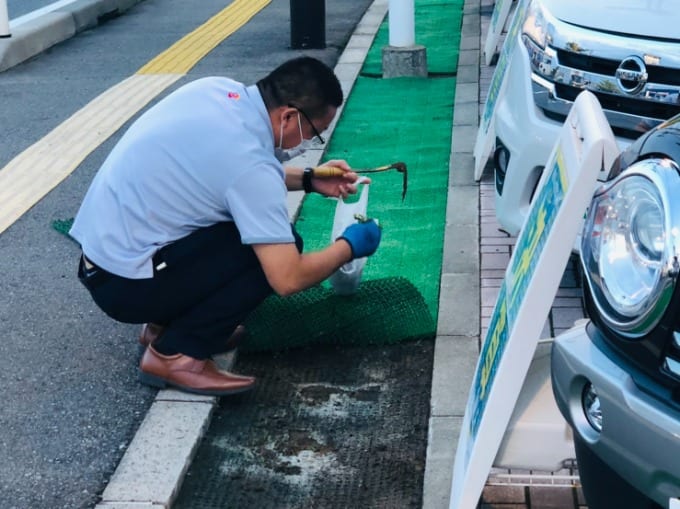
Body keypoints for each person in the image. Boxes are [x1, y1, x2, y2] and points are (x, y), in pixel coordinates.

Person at [70, 56, 382, 397]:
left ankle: (161, 327)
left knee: (239, 226)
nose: (311, 144)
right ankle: (177, 354)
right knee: (275, 249)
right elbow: (288, 278)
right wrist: (349, 245)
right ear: (289, 116)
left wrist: (308, 179)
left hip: (103, 263)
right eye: (314, 134)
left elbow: (227, 171)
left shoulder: (215, 91)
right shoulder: (251, 167)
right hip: (127, 288)